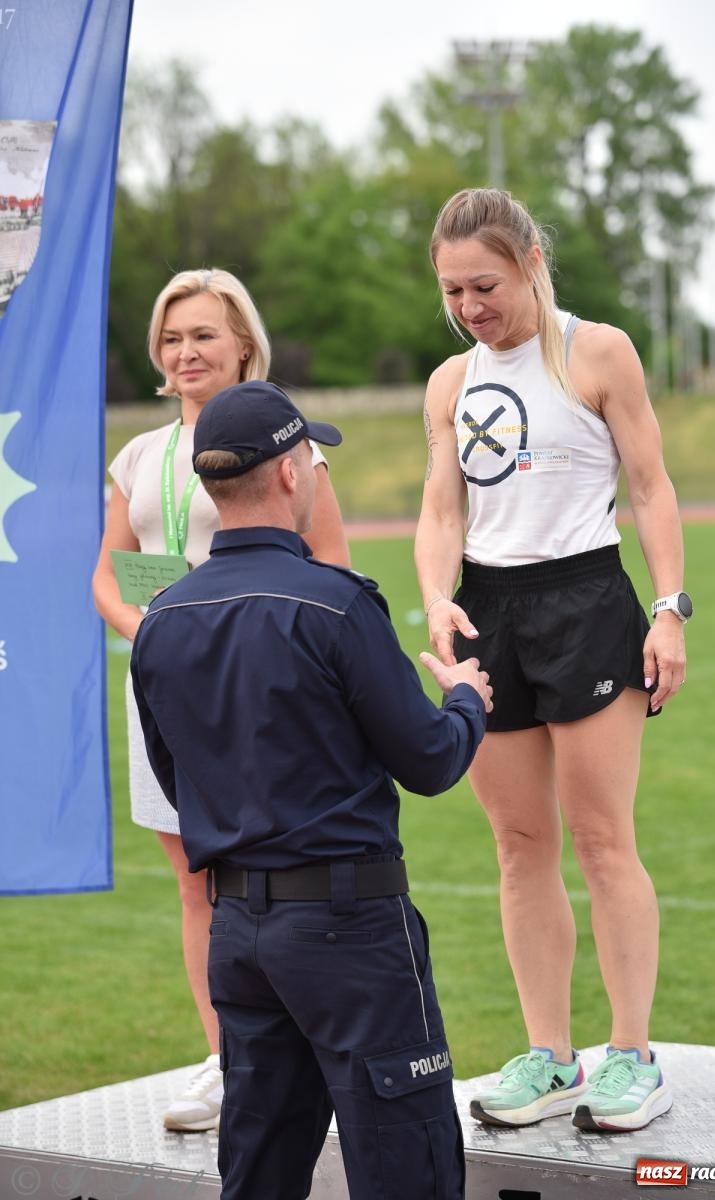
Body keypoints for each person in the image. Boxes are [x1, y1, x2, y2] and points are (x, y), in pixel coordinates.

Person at [130, 380, 493, 1200]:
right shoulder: (334, 605)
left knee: (257, 1168)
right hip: (349, 931)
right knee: (408, 1167)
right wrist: (466, 699)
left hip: (238, 934)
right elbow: (431, 760)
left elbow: (175, 780)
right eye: (314, 459)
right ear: (291, 473)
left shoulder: (162, 620)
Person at [415, 187, 691, 1134]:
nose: (468, 308)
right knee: (518, 846)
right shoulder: (449, 383)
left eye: (482, 285)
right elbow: (441, 509)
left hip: (586, 603)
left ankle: (631, 1056)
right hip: (490, 613)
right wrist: (438, 597)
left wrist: (668, 610)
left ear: (530, 258)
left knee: (603, 840)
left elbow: (650, 489)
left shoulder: (597, 351)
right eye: (452, 291)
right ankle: (550, 1055)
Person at [92, 269, 350, 1131]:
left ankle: (308, 1049)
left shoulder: (287, 442)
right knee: (193, 883)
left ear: (242, 342)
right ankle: (227, 1060)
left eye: (202, 334)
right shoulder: (138, 455)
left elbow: (333, 571)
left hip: (262, 695)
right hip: (168, 693)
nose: (185, 352)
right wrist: (156, 636)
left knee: (277, 879)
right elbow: (106, 575)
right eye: (171, 338)